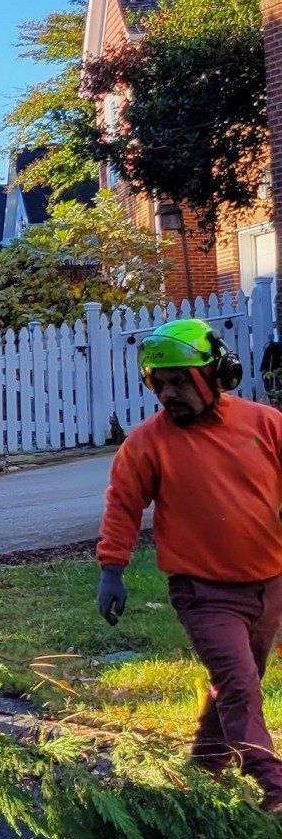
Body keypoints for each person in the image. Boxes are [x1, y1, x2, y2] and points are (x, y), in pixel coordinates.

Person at [96, 316, 282, 812]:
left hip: (268, 584)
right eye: (160, 383)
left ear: (215, 375)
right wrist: (112, 569)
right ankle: (273, 788)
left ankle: (200, 777)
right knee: (241, 688)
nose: (168, 394)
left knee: (239, 684)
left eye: (180, 381)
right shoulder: (147, 443)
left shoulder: (265, 424)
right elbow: (123, 504)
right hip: (202, 593)